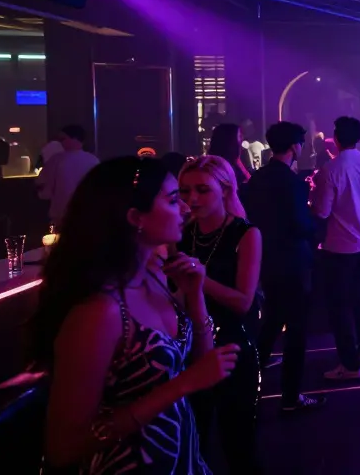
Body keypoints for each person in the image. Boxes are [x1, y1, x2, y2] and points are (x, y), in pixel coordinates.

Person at [29, 157, 238, 474]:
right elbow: (63, 446)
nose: (185, 207)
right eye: (173, 199)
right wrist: (180, 386)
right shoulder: (100, 311)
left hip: (181, 457)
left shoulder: (155, 276)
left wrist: (195, 297)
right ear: (135, 217)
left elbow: (202, 366)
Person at [177, 156, 263, 474]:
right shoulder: (181, 234)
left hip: (231, 345)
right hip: (185, 346)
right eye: (184, 192)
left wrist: (200, 279)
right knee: (190, 440)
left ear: (225, 190)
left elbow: (243, 301)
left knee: (239, 442)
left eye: (202, 190)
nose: (192, 199)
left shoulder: (246, 233)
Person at [242, 122, 324, 413]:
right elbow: (300, 224)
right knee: (297, 330)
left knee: (273, 320)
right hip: (293, 261)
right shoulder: (293, 182)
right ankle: (291, 396)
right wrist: (317, 225)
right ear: (294, 147)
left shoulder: (257, 178)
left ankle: (247, 383)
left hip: (266, 259)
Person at [311, 117, 360, 380]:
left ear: (336, 138)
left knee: (339, 305)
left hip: (340, 246)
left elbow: (322, 211)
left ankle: (350, 365)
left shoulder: (330, 169)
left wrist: (310, 198)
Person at [37, 124, 100, 228]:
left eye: (63, 139)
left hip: (63, 214)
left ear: (74, 138)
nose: (60, 143)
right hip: (89, 213)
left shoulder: (56, 160)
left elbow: (44, 188)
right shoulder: (94, 160)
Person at [208, 123, 251, 187]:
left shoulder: (235, 160)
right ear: (231, 139)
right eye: (239, 136)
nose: (242, 138)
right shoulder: (220, 166)